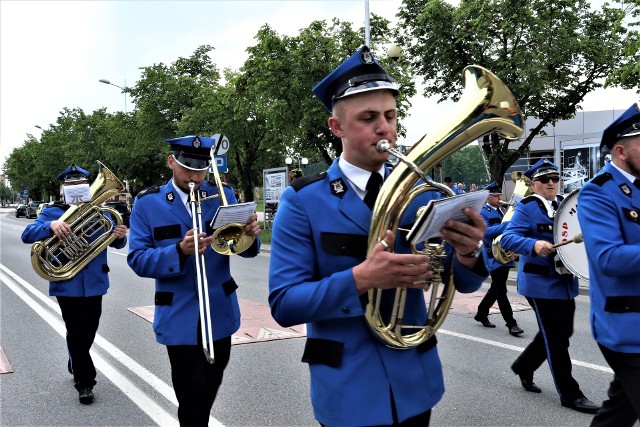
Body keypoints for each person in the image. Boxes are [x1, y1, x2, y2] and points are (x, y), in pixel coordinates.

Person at [268, 45, 489, 426]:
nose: (384, 127)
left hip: (415, 381)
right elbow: (285, 303)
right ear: (336, 128)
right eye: (368, 117)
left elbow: (464, 283)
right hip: (348, 387)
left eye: (390, 115)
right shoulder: (303, 200)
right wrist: (361, 278)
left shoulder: (424, 193)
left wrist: (468, 253)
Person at [127, 135, 261, 426]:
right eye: (188, 168)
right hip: (179, 314)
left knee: (210, 384)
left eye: (201, 169)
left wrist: (251, 235)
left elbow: (246, 251)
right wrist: (178, 250)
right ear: (171, 162)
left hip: (220, 310)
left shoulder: (222, 194)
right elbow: (137, 259)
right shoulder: (148, 203)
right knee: (191, 396)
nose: (195, 176)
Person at [21, 164, 128, 405]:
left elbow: (117, 245)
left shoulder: (103, 212)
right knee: (77, 330)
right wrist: (50, 226)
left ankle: (75, 360)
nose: (75, 189)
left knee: (89, 330)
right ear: (62, 190)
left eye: (80, 185)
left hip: (95, 283)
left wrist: (120, 235)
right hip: (67, 283)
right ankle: (85, 382)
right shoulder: (52, 212)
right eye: (70, 186)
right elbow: (27, 234)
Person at [500, 158, 599, 414]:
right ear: (534, 185)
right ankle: (570, 394)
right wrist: (533, 245)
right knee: (557, 339)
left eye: (555, 178)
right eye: (545, 180)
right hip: (539, 284)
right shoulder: (527, 207)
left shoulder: (567, 205)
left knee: (561, 332)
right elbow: (509, 237)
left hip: (564, 281)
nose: (551, 183)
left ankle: (524, 365)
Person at [578, 103, 640, 426]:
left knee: (619, 414)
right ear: (620, 151)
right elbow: (608, 258)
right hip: (626, 325)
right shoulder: (597, 193)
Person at [474, 181, 524, 336]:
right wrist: (507, 225)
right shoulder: (483, 212)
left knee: (496, 287)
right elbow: (485, 232)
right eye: (496, 196)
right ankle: (511, 324)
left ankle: (482, 312)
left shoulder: (504, 211)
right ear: (488, 197)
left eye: (500, 195)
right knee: (501, 289)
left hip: (504, 254)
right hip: (492, 256)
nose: (500, 198)